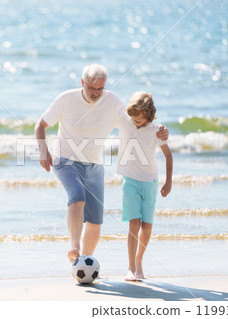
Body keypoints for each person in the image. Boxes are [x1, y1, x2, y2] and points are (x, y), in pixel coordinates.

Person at [34, 64, 169, 263]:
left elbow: (135, 123)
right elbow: (41, 125)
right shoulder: (66, 99)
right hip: (65, 159)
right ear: (83, 83)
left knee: (96, 221)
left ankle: (85, 262)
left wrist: (160, 130)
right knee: (77, 197)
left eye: (100, 88)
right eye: (91, 88)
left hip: (94, 164)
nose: (96, 93)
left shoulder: (112, 102)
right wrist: (43, 151)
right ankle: (75, 247)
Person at [116, 91, 173, 281]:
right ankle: (131, 266)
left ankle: (139, 260)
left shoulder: (156, 130)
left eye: (142, 117)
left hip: (150, 183)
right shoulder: (124, 122)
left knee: (147, 227)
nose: (138, 120)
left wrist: (169, 180)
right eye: (135, 116)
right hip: (130, 181)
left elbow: (168, 155)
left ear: (149, 116)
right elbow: (107, 109)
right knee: (134, 223)